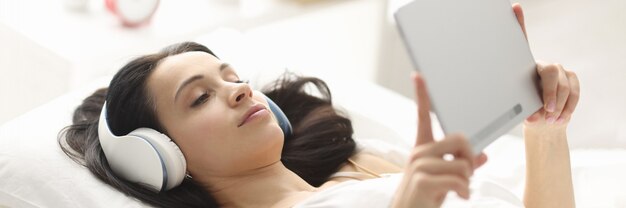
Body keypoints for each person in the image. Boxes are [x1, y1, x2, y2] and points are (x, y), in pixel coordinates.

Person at [58, 3, 579, 208]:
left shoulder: (363, 165)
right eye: (199, 98)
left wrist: (545, 130)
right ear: (162, 157)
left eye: (233, 77)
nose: (239, 90)